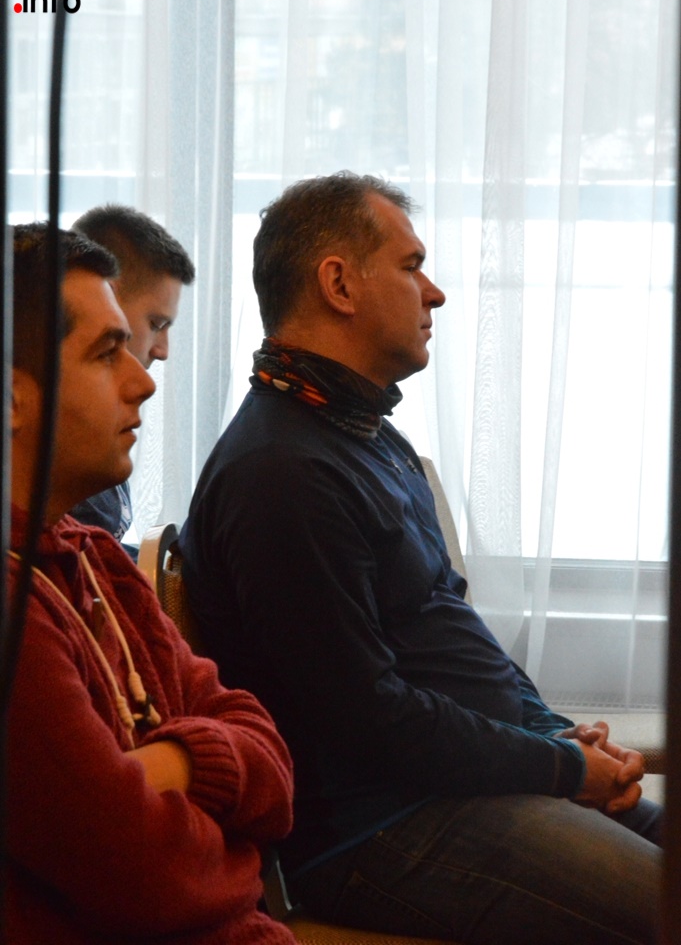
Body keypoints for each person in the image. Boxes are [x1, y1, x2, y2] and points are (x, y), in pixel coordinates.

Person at [179, 172, 662, 945]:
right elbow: (368, 720)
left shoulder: (361, 434)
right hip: (378, 827)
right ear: (339, 283)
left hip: (456, 787)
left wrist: (554, 735)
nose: (434, 293)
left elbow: (445, 631)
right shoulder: (281, 473)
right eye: (411, 266)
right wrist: (561, 768)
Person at [6, 223, 296, 945]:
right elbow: (148, 879)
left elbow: (272, 761)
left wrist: (173, 762)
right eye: (107, 353)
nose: (143, 379)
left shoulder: (97, 558)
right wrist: (235, 858)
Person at [70, 204, 195, 546]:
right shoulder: (71, 443)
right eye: (156, 324)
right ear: (106, 296)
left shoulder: (108, 423)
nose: (163, 350)